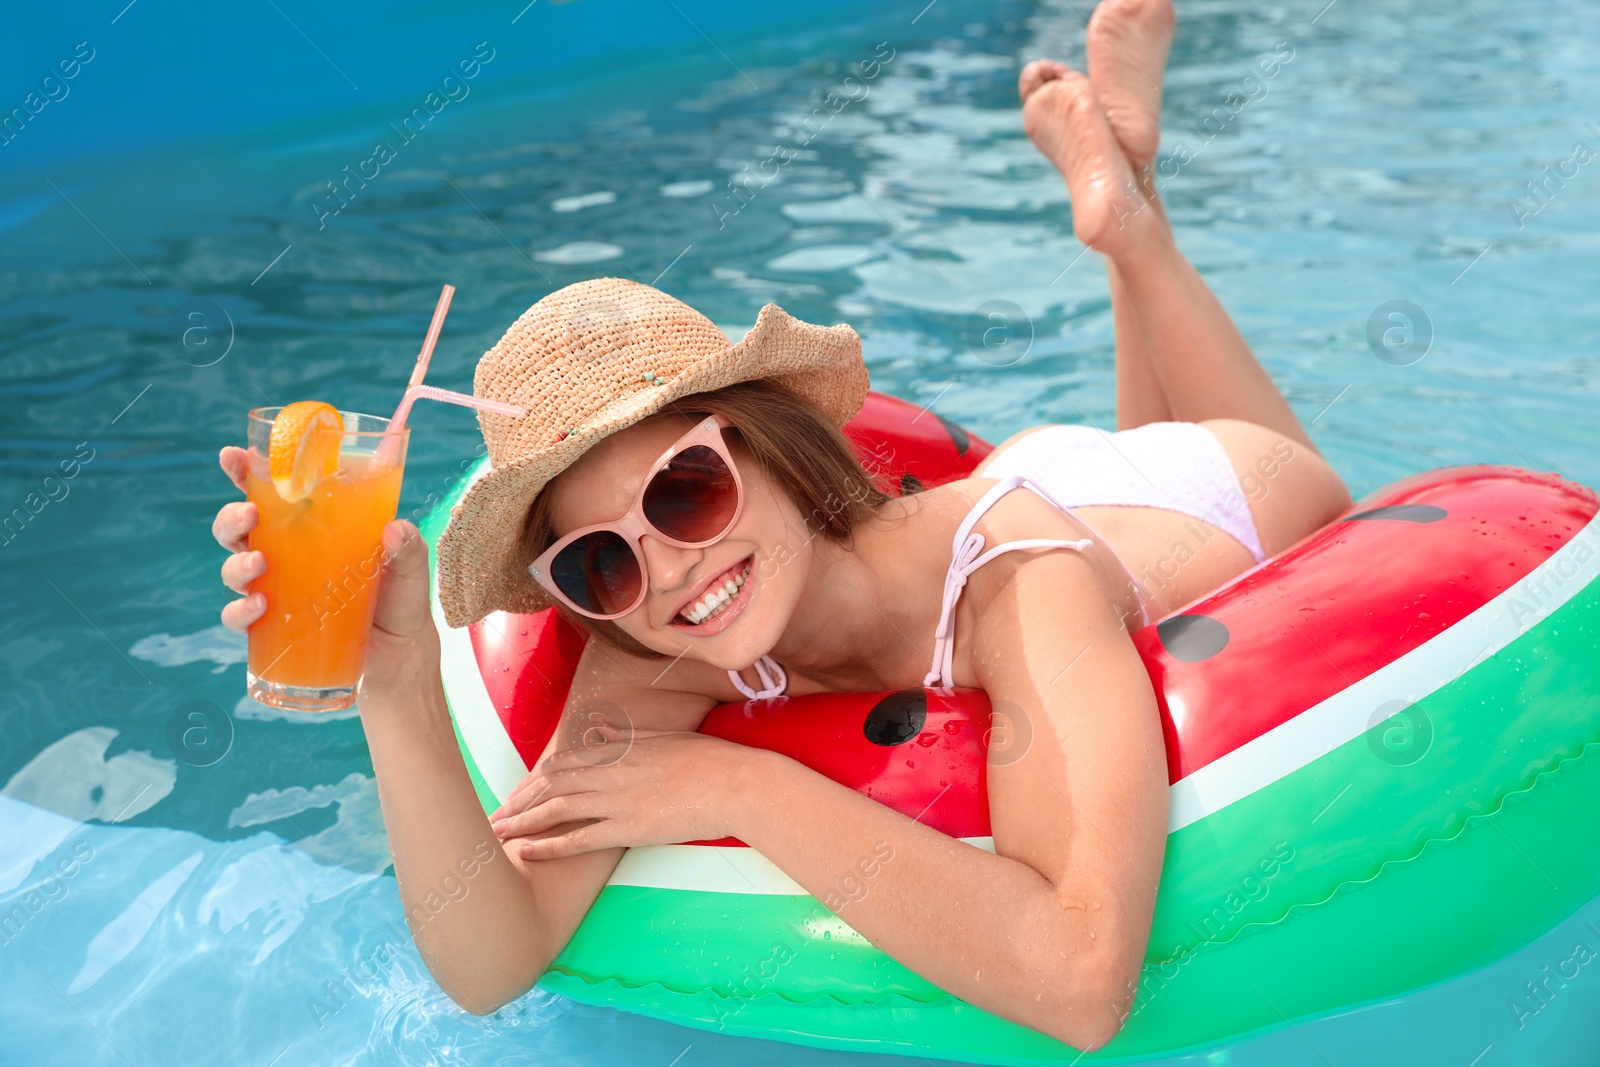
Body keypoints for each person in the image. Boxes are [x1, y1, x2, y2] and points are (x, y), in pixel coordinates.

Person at [212, 0, 1349, 1050]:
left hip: (1203, 493)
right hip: (1036, 470)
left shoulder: (1021, 579)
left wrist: (737, 788)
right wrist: (393, 686)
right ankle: (1119, 193)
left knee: (1282, 462)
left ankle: (1131, 228)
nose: (667, 567)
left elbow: (1082, 980)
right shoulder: (648, 646)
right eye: (598, 558)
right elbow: (489, 959)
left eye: (684, 488)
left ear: (769, 445)